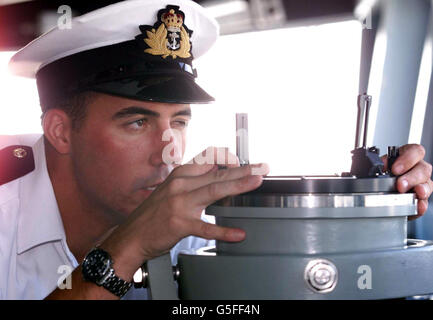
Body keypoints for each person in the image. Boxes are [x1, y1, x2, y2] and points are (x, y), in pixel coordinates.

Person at [0, 0, 431, 300]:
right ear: (60, 131)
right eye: (137, 121)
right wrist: (130, 248)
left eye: (180, 122)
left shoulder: (185, 223)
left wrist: (378, 213)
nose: (167, 152)